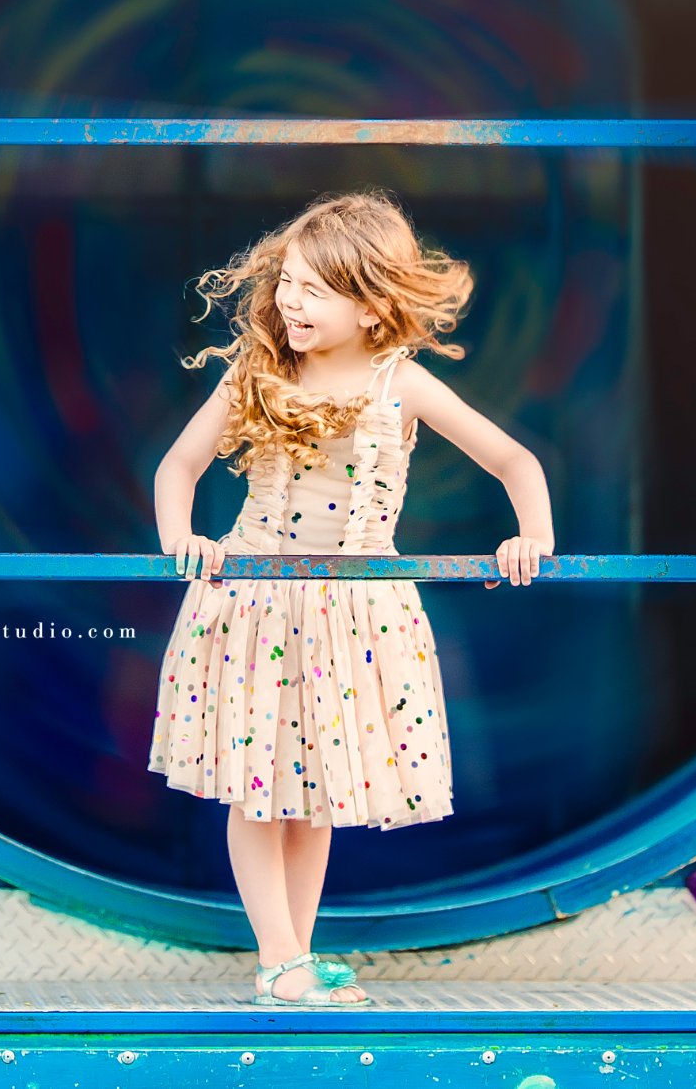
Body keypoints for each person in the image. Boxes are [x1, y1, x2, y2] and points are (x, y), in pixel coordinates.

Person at [147, 191, 555, 1006]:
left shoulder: (398, 382)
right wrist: (182, 539)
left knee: (315, 792)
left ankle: (296, 951)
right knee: (256, 789)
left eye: (313, 290)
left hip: (355, 608)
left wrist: (530, 537)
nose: (289, 302)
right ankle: (279, 960)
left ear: (371, 306)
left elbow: (515, 462)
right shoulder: (255, 373)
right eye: (287, 283)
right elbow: (177, 468)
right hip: (255, 597)